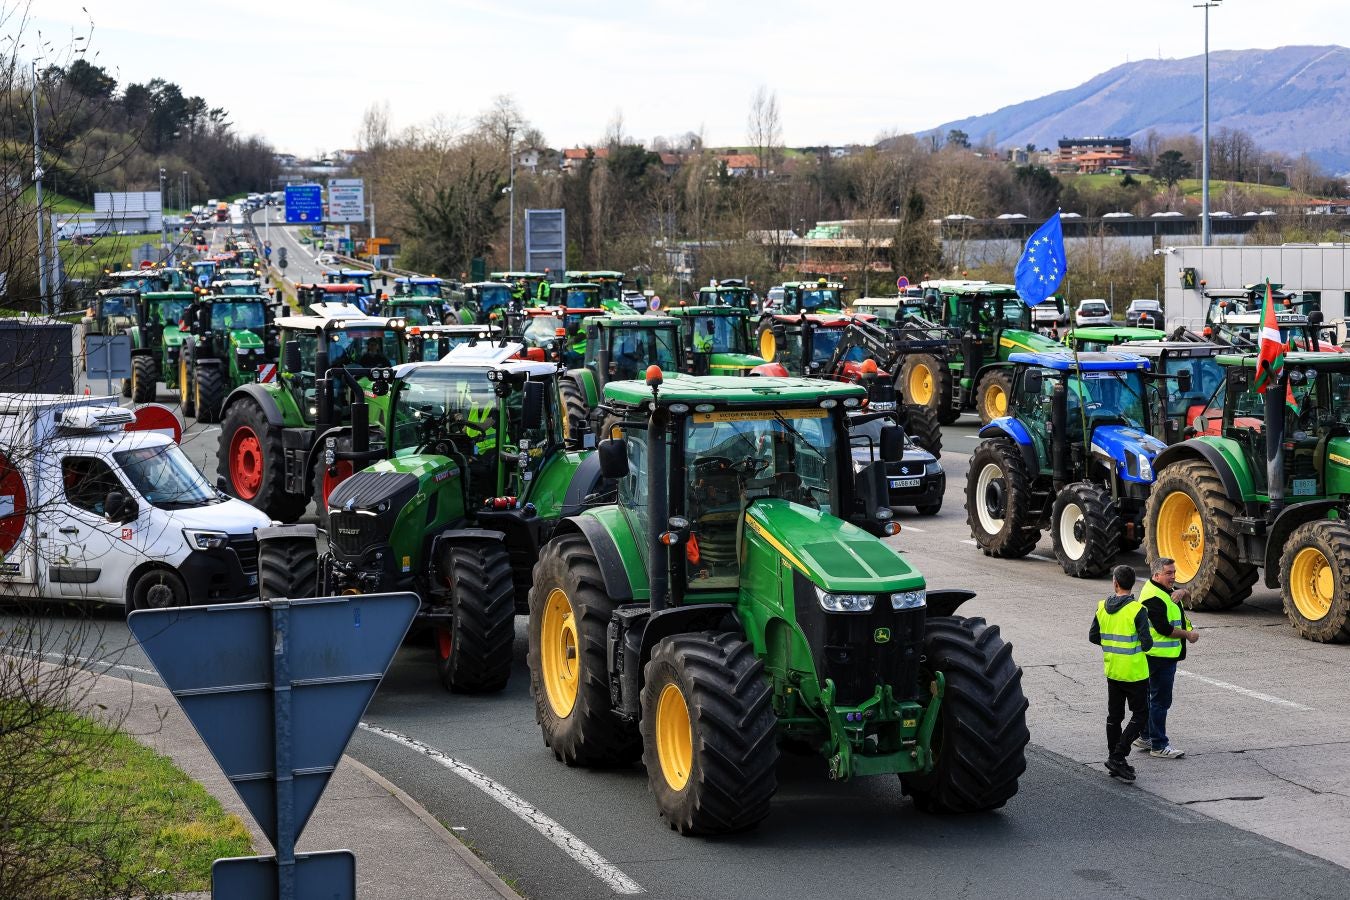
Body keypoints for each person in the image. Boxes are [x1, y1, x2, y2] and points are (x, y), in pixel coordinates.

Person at [1089, 564, 1153, 782]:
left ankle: (1114, 758)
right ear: (1131, 584)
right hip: (1135, 672)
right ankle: (1118, 755)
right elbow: (1147, 644)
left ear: (1115, 583)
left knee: (1114, 717)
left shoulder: (1101, 607)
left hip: (1113, 670)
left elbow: (1093, 637)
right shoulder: (1137, 610)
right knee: (1141, 715)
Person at [1134, 558, 1199, 759]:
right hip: (1160, 657)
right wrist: (1187, 635)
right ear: (1156, 575)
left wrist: (1184, 591)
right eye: (1169, 573)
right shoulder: (1153, 597)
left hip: (1158, 656)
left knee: (1149, 698)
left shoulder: (1161, 589)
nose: (1173, 577)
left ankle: (1146, 736)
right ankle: (1159, 744)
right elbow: (1164, 629)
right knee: (1160, 702)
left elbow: (1179, 598)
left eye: (1174, 572)